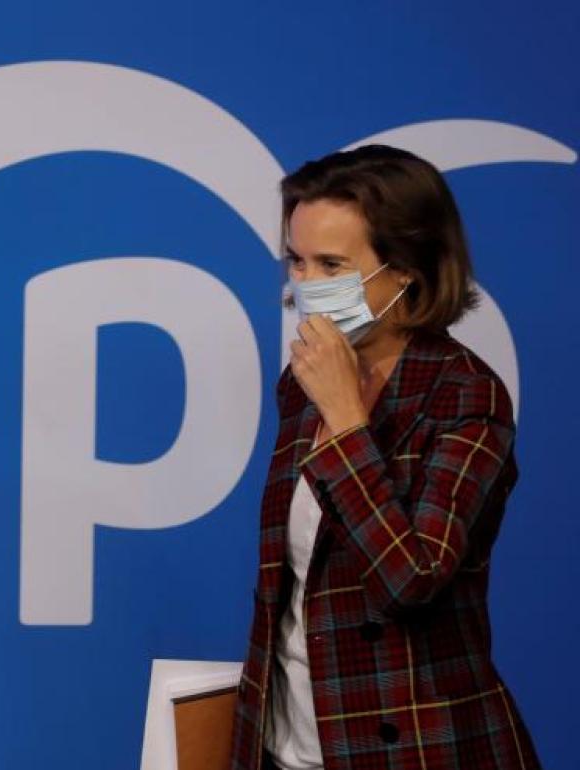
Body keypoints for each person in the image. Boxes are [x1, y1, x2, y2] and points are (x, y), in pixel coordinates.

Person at [231, 145, 539, 769]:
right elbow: (293, 588)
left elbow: (411, 578)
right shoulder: (302, 383)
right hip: (287, 744)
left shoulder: (464, 394)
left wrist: (347, 420)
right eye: (296, 261)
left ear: (403, 271)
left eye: (332, 264)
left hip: (414, 748)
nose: (305, 285)